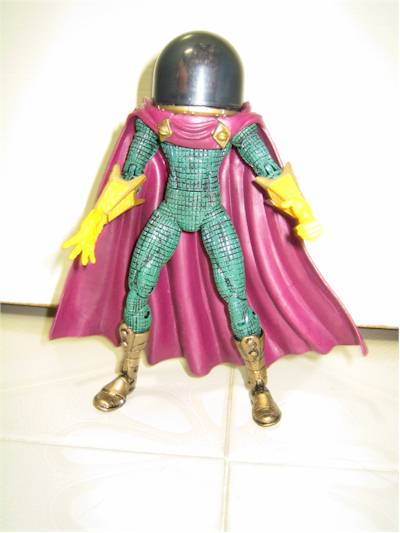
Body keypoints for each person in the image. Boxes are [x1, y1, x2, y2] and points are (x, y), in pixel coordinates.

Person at [51, 31, 366, 427]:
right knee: (138, 287)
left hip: (213, 216)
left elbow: (271, 173)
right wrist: (96, 219)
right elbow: (128, 177)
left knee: (236, 296)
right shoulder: (156, 124)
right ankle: (126, 374)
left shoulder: (233, 127)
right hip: (169, 213)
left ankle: (259, 384)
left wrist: (301, 211)